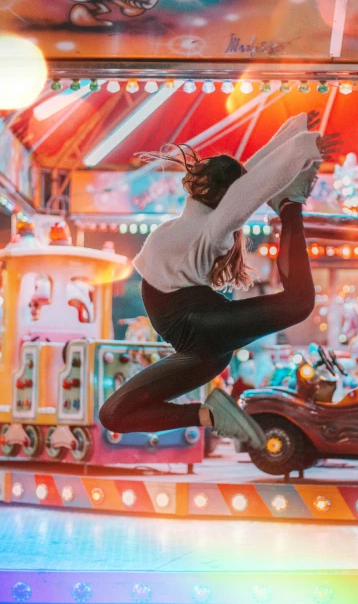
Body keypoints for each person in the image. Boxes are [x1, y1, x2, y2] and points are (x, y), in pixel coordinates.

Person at [99, 112, 341, 450]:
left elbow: (246, 187)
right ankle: (208, 415)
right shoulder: (197, 223)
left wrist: (301, 144)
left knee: (299, 302)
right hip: (199, 348)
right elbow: (249, 179)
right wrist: (294, 134)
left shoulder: (208, 227)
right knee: (113, 414)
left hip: (200, 329)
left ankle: (290, 205)